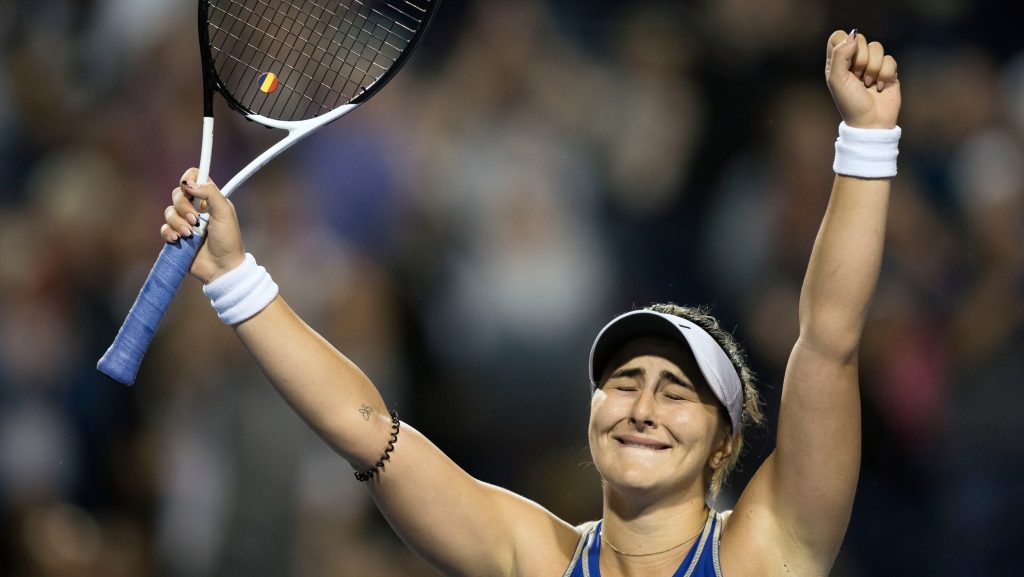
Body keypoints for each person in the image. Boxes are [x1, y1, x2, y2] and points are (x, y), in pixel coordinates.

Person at [160, 29, 901, 577]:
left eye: (675, 390)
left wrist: (867, 140)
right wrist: (233, 273)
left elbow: (829, 336)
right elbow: (367, 432)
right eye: (622, 383)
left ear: (725, 446)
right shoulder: (530, 555)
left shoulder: (769, 548)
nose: (641, 406)